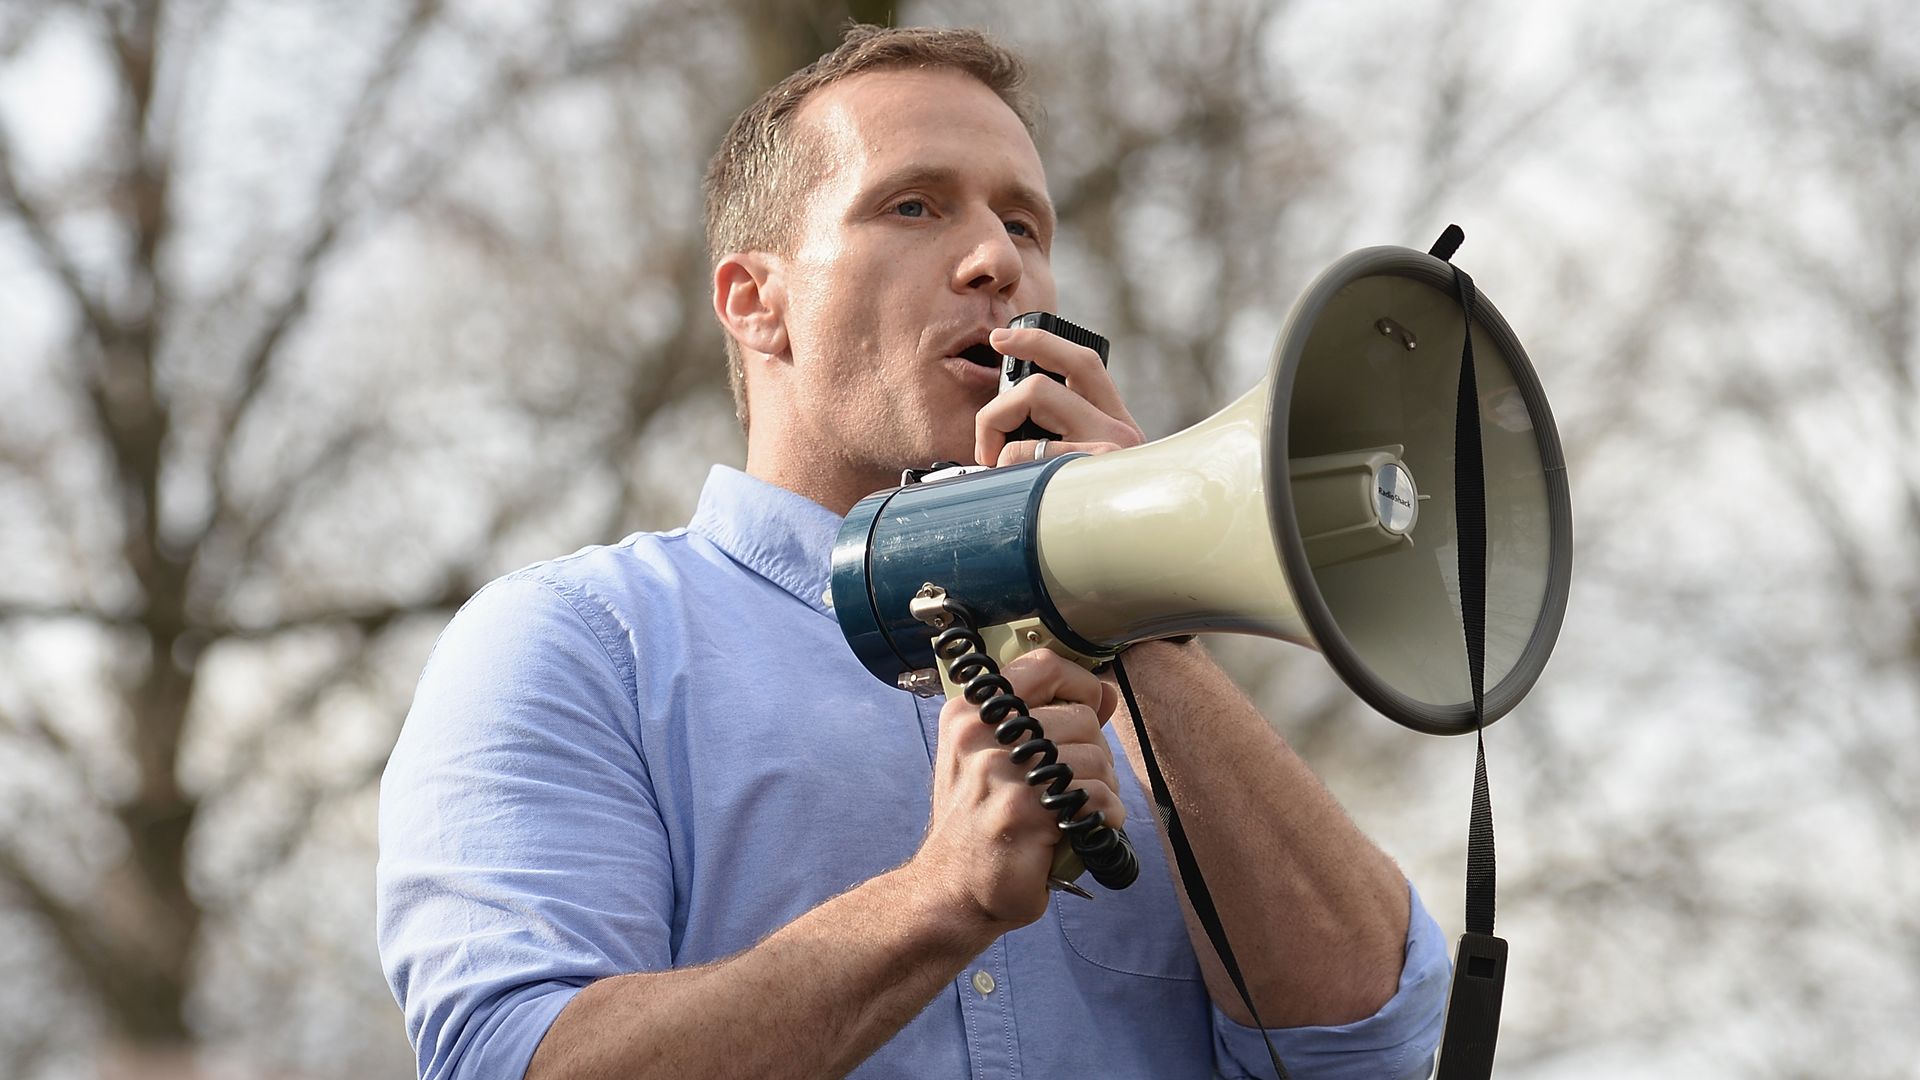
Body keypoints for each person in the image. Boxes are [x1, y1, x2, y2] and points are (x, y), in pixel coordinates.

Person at [377, 24, 1448, 1080]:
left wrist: (1131, 584)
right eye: (913, 205)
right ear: (757, 301)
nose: (997, 261)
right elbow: (517, 1064)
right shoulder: (579, 645)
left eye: (1025, 225)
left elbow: (1368, 1044)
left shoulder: (1142, 683)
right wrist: (939, 898)